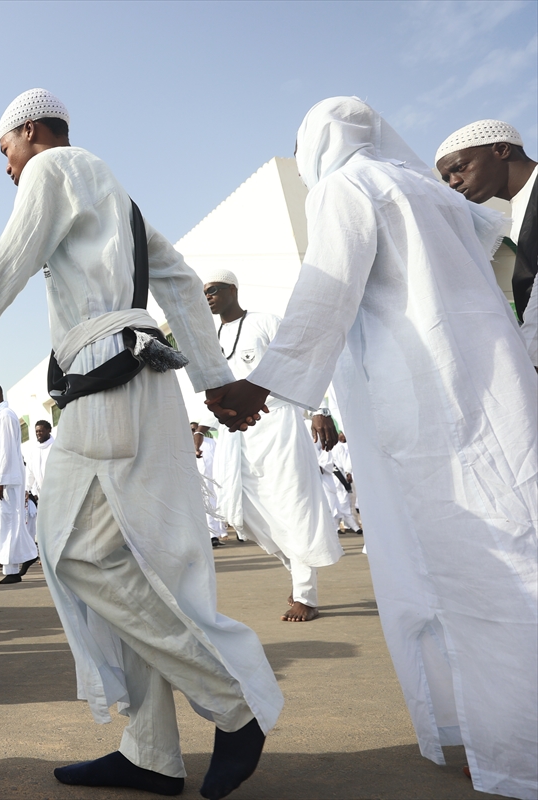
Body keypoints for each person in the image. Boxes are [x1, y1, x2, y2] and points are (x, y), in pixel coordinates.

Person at [0, 89, 281, 799]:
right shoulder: (119, 202)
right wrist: (215, 379)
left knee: (72, 548)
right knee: (123, 559)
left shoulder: (53, 170)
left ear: (30, 132)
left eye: (4, 150)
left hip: (108, 380)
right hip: (143, 380)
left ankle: (233, 701)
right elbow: (180, 282)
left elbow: (8, 262)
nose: (6, 168)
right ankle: (151, 752)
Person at [209, 97, 537, 800]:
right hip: (491, 395)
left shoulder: (346, 187)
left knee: (463, 568)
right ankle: (473, 733)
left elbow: (326, 289)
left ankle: (512, 751)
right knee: (490, 550)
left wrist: (262, 384)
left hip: (419, 406)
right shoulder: (438, 194)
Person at [203, 269, 342, 622]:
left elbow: (301, 364)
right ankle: (298, 576)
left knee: (293, 506)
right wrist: (200, 431)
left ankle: (306, 596)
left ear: (233, 288)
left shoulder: (265, 322)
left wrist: (320, 409)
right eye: (205, 292)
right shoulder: (211, 336)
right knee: (243, 514)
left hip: (278, 422)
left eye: (215, 289)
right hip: (237, 434)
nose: (209, 296)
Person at [436, 119, 537, 367]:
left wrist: (529, 361)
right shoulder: (518, 209)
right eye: (447, 178)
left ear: (501, 150)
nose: (453, 183)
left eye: (460, 167)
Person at [0, 382, 38, 584]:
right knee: (10, 523)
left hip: (8, 481)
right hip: (3, 479)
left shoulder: (5, 416)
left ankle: (12, 570)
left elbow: (7, 450)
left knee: (9, 523)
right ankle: (28, 554)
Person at [316, 438, 359, 535]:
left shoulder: (336, 447)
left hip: (335, 477)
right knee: (339, 503)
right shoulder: (329, 447)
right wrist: (348, 472)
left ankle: (341, 527)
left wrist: (347, 471)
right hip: (332, 478)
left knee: (338, 503)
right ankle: (342, 527)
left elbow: (343, 461)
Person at [194, 424, 227, 546]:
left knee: (215, 491)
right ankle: (214, 533)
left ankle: (218, 532)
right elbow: (195, 427)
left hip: (212, 442)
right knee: (210, 491)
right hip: (205, 443)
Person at [24, 419, 53, 540]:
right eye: (36, 431)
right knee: (44, 525)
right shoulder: (34, 450)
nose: (38, 434)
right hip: (42, 495)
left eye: (41, 431)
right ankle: (45, 555)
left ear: (48, 430)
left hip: (56, 493)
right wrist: (27, 489)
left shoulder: (55, 446)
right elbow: (30, 471)